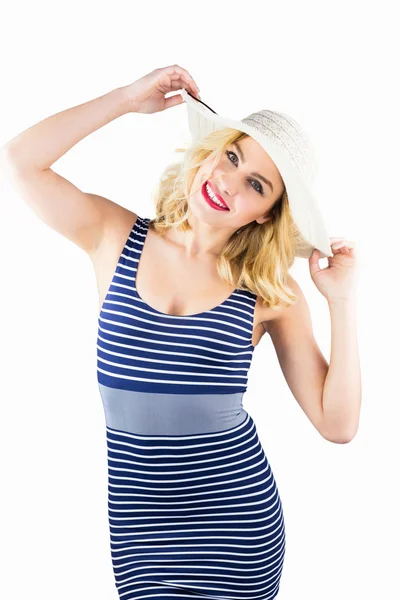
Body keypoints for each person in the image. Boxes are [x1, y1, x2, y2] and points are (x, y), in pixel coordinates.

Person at [0, 64, 361, 600]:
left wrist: (342, 303)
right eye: (232, 157)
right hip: (140, 529)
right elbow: (20, 161)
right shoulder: (113, 236)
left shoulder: (267, 291)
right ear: (211, 151)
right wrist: (125, 98)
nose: (227, 182)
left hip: (236, 529)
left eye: (254, 185)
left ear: (265, 215)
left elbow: (338, 424)